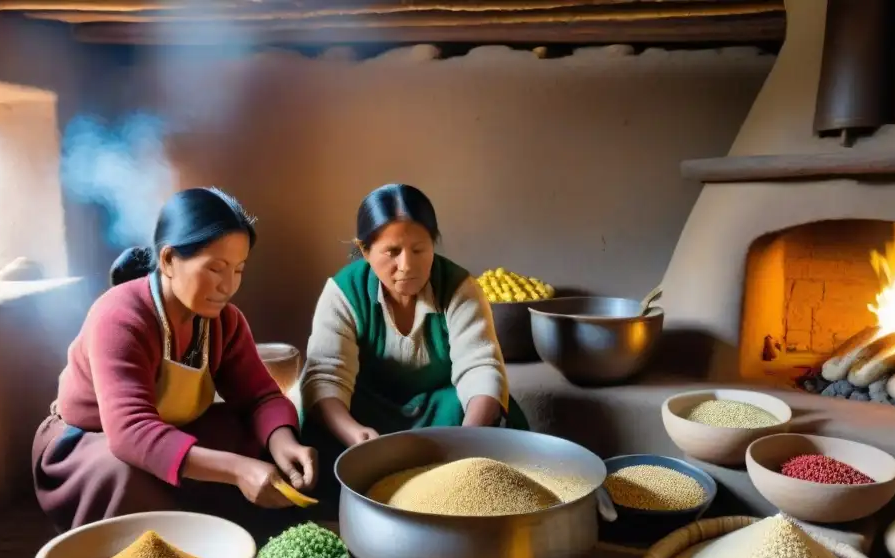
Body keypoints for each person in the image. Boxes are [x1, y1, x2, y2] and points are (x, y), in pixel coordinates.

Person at [32, 187, 318, 531]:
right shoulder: (120, 317)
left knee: (252, 435)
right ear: (168, 260)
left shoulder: (225, 321)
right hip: (91, 443)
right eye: (215, 269)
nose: (228, 286)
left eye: (238, 269)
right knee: (125, 476)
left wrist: (283, 442)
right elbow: (130, 432)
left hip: (170, 431)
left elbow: (260, 397)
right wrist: (238, 469)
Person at [300, 183, 528, 471]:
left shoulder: (459, 288)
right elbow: (326, 374)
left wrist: (464, 443)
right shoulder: (344, 292)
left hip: (441, 417)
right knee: (319, 419)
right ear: (365, 250)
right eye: (392, 251)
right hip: (367, 413)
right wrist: (353, 434)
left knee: (474, 411)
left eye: (419, 249)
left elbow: (481, 368)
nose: (407, 265)